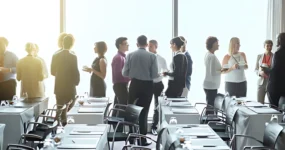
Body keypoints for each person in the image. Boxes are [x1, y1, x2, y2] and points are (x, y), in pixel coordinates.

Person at [122, 35, 158, 146]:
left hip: (134, 84)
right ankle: (142, 140)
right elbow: (155, 74)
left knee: (131, 112)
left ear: (137, 44)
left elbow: (124, 73)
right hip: (147, 86)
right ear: (147, 44)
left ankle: (131, 138)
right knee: (144, 112)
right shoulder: (152, 56)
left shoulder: (130, 55)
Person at [51, 34, 80, 125]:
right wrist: (76, 82)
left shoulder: (55, 55)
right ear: (71, 44)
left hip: (59, 86)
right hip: (70, 87)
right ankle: (67, 128)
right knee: (70, 110)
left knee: (59, 109)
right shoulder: (73, 56)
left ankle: (57, 129)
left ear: (62, 43)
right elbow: (75, 71)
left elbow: (52, 72)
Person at [148, 39, 168, 135]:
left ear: (156, 47)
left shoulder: (161, 59)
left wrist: (161, 74)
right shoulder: (145, 58)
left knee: (157, 106)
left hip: (158, 84)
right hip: (147, 84)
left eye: (151, 46)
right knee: (146, 105)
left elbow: (166, 72)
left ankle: (154, 127)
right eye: (148, 46)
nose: (149, 47)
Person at [111, 37, 130, 131]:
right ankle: (118, 130)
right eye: (125, 43)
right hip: (120, 85)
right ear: (120, 45)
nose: (128, 45)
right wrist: (131, 77)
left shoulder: (122, 57)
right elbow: (119, 74)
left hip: (121, 85)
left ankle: (116, 128)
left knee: (118, 107)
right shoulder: (119, 58)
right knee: (122, 107)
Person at [203, 37, 223, 109]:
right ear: (213, 44)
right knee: (211, 106)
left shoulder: (208, 54)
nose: (218, 45)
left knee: (210, 105)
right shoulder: (212, 56)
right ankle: (209, 120)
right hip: (211, 85)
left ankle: (208, 119)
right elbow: (213, 73)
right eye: (217, 43)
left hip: (209, 84)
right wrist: (223, 70)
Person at [267, 33, 285, 107]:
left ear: (280, 40)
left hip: (275, 86)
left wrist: (266, 70)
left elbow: (275, 71)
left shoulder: (278, 53)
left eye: (277, 38)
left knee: (273, 108)